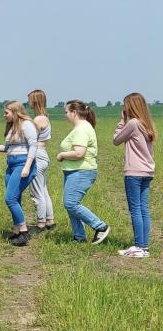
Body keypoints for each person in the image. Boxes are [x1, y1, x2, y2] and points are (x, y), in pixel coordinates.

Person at [0, 101, 38, 246]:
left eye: (6, 112)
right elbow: (8, 148)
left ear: (15, 112)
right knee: (15, 198)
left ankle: (24, 232)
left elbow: (33, 146)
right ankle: (17, 231)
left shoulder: (27, 125)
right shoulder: (12, 126)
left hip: (23, 164)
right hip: (11, 164)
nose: (4, 115)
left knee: (10, 198)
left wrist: (27, 166)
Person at [56, 100, 110, 245]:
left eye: (66, 112)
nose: (65, 115)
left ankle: (100, 227)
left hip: (81, 171)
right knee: (71, 204)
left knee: (71, 203)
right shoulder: (81, 127)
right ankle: (79, 236)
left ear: (74, 113)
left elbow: (79, 153)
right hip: (74, 171)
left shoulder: (81, 129)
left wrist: (62, 155)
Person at [113, 92, 156, 258]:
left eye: (125, 105)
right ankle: (144, 247)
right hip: (147, 171)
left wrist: (121, 121)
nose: (123, 108)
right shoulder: (147, 124)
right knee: (144, 209)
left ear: (131, 106)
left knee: (135, 210)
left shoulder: (133, 123)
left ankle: (138, 246)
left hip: (134, 172)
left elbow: (116, 140)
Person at [27, 89, 56, 233]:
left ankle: (40, 224)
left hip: (37, 155)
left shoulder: (38, 119)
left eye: (30, 99)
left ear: (35, 101)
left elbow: (30, 136)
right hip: (43, 154)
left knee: (36, 192)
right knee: (43, 190)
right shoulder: (45, 117)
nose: (28, 102)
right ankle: (50, 220)